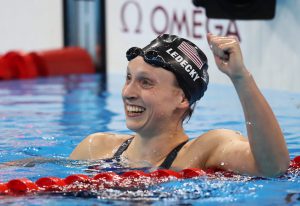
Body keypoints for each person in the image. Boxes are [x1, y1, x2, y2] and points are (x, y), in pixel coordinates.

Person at [69, 33, 288, 177]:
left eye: (145, 82)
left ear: (182, 99)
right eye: (128, 78)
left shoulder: (205, 150)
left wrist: (240, 77)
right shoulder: (96, 147)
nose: (128, 92)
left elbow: (273, 168)